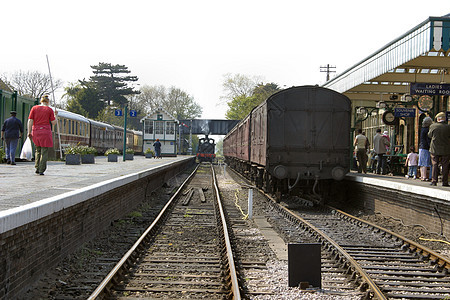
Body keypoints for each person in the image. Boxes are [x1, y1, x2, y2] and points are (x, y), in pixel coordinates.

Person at [28, 95, 58, 175]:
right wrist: (56, 115)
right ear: (48, 102)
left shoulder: (34, 108)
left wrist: (29, 131)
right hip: (45, 131)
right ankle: (42, 169)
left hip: (36, 131)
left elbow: (30, 120)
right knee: (44, 151)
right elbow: (53, 123)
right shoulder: (49, 109)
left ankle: (37, 167)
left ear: (41, 100)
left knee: (37, 150)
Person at [428, 112, 450, 186]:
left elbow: (429, 135)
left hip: (434, 148)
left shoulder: (433, 126)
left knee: (434, 164)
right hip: (446, 149)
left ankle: (434, 181)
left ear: (438, 119)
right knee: (445, 165)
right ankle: (445, 182)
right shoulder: (448, 127)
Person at [418, 116, 433, 181]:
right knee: (425, 163)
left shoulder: (422, 129)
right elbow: (428, 139)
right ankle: (424, 176)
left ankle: (422, 176)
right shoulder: (427, 130)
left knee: (421, 163)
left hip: (421, 147)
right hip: (425, 147)